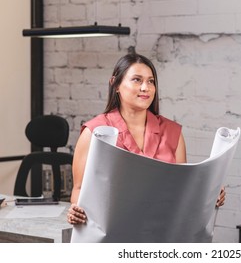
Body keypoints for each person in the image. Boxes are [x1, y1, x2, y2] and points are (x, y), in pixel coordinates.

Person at [67, 53, 226, 225]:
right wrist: (76, 211)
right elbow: (79, 189)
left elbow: (181, 190)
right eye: (137, 80)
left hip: (162, 231)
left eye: (151, 81)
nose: (146, 87)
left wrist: (209, 194)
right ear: (116, 84)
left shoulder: (173, 132)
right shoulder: (94, 132)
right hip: (113, 231)